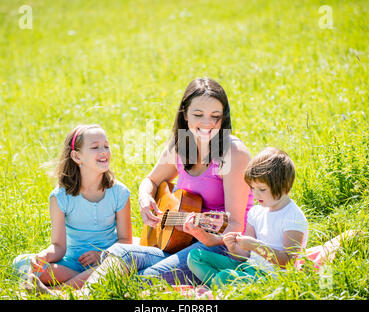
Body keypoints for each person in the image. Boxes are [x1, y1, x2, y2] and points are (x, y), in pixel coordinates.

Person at [99, 77, 255, 285]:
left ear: (223, 118)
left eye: (215, 116)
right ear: (185, 114)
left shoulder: (233, 152)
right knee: (118, 253)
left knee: (145, 278)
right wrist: (144, 198)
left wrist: (206, 237)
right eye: (198, 115)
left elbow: (235, 225)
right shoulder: (181, 146)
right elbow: (151, 180)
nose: (207, 123)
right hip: (181, 242)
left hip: (221, 248)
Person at [12, 124, 132, 290]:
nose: (104, 151)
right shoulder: (60, 197)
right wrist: (44, 256)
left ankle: (59, 291)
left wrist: (101, 256)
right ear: (76, 156)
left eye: (106, 146)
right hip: (70, 264)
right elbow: (59, 247)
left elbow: (126, 241)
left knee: (119, 265)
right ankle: (90, 281)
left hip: (107, 260)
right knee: (21, 264)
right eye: (95, 147)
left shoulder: (120, 193)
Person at [187, 147, 309, 288]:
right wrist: (233, 247)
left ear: (283, 186)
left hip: (271, 277)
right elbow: (245, 256)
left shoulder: (293, 217)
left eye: (262, 190)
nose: (256, 195)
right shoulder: (256, 212)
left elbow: (288, 261)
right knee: (196, 256)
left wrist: (255, 245)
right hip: (249, 267)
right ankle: (223, 287)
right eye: (252, 188)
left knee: (224, 277)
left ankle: (219, 287)